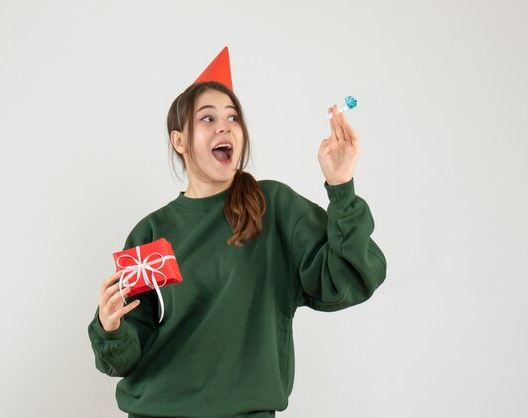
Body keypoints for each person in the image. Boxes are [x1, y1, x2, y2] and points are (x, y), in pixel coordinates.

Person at [88, 47, 386, 418]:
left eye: (233, 117)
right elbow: (125, 353)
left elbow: (350, 277)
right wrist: (110, 326)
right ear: (179, 141)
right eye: (208, 118)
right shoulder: (152, 232)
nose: (224, 126)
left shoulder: (272, 207)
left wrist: (340, 185)